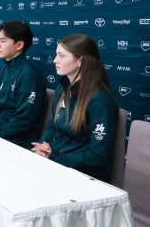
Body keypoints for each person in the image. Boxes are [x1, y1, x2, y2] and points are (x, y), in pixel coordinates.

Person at [32, 34, 119, 182]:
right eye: (56, 55)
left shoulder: (100, 100)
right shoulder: (61, 89)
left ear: (80, 61)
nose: (55, 60)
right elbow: (53, 127)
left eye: (61, 56)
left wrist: (53, 158)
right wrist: (41, 148)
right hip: (54, 164)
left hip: (82, 177)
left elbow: (96, 157)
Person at [0, 20, 47, 149]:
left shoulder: (30, 75)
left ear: (19, 45)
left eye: (3, 41)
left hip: (17, 140)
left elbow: (23, 122)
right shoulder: (3, 71)